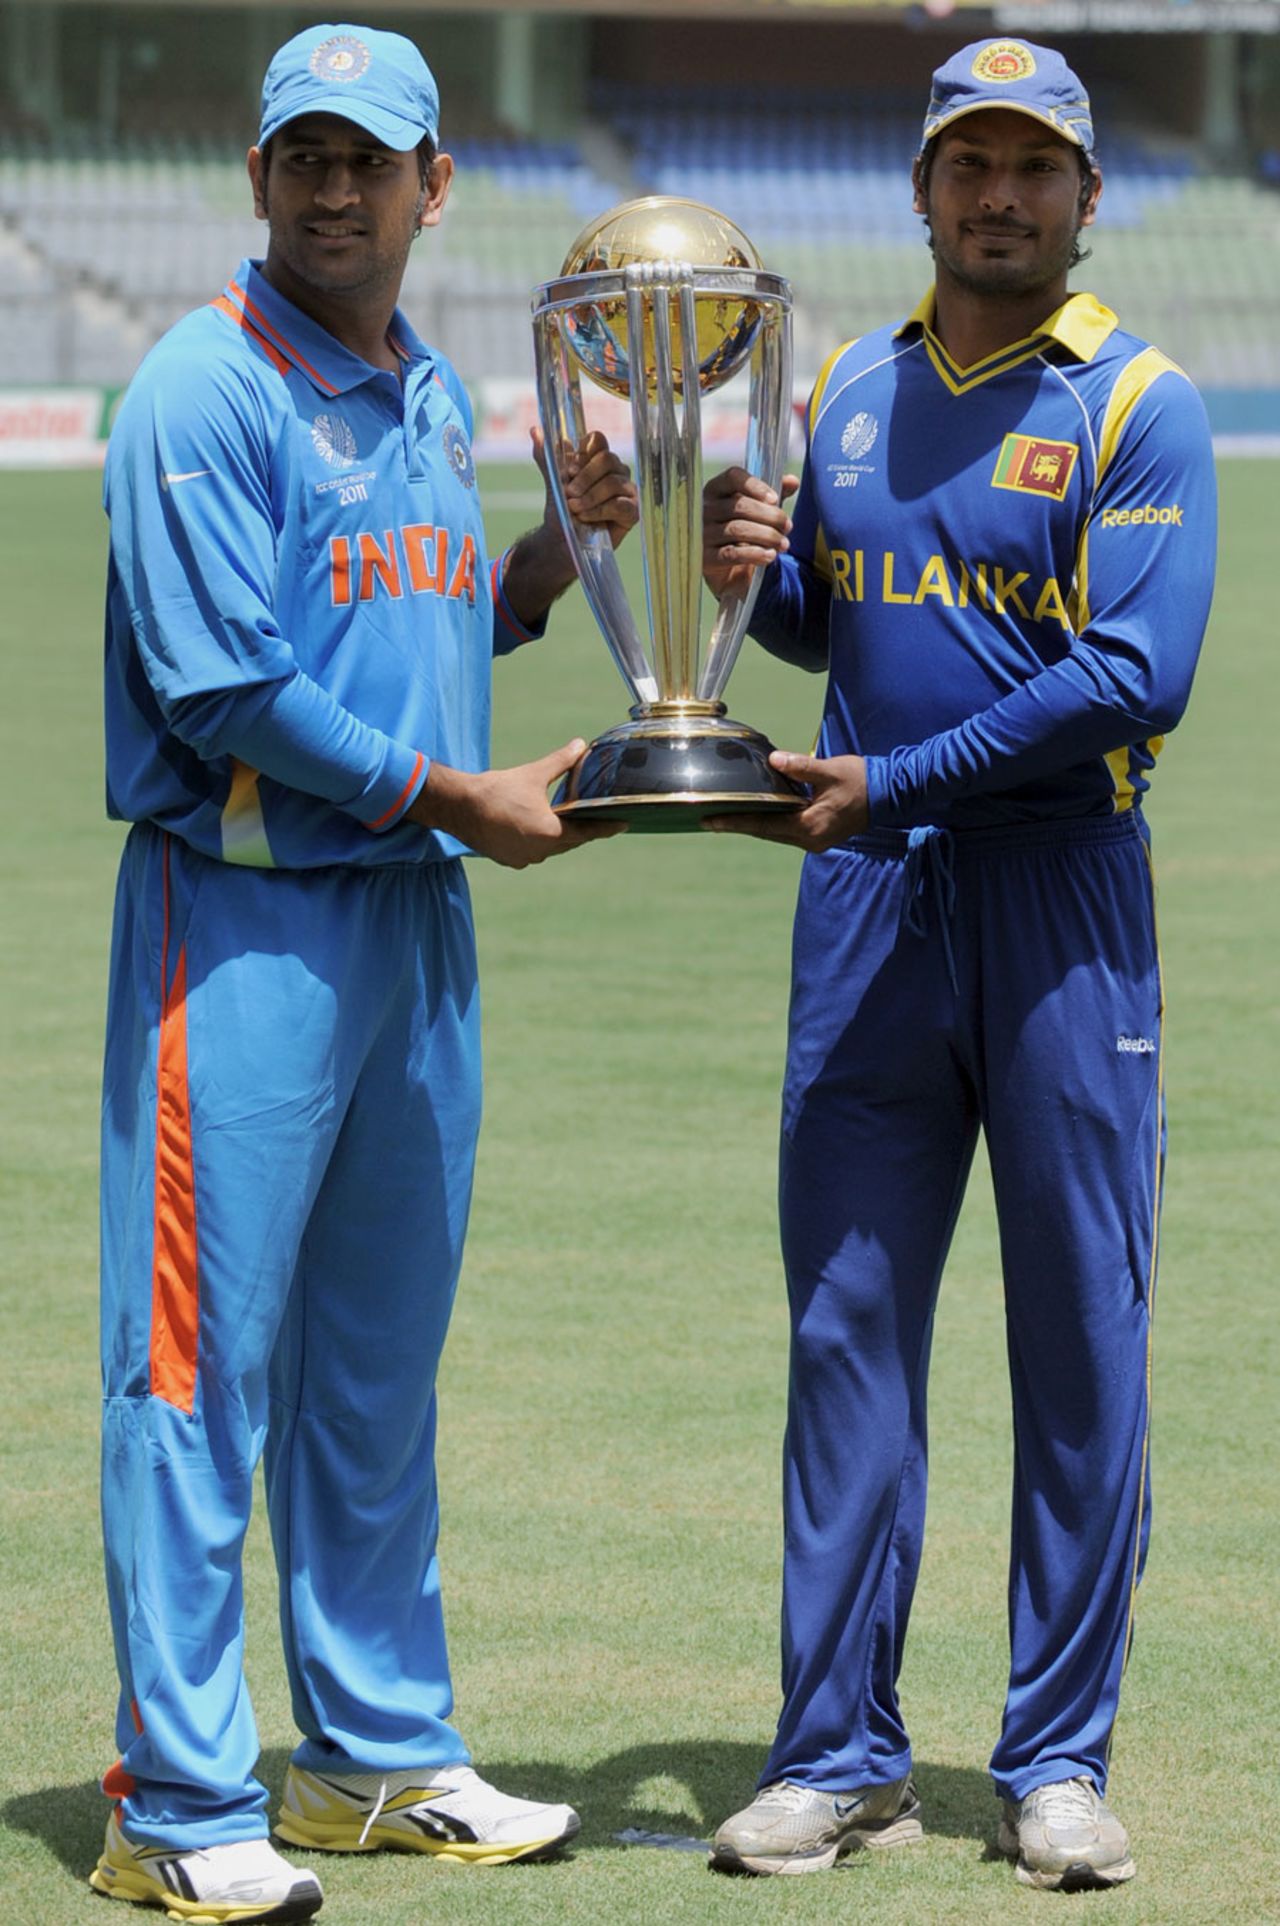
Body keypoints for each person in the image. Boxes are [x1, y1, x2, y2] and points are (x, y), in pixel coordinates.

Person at [91, 22, 635, 1923]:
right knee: (193, 1373)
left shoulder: (418, 389)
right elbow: (228, 684)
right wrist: (461, 799)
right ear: (257, 180)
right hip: (241, 922)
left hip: (413, 917)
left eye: (368, 160)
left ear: (433, 186)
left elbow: (407, 618)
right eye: (301, 159)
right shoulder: (200, 382)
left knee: (372, 1372)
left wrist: (555, 565)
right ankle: (177, 1798)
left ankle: (373, 1755)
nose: (334, 191)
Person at [701, 37, 1216, 1892]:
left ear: (1089, 197)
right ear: (920, 189)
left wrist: (889, 786)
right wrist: (732, 561)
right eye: (968, 165)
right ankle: (836, 1753)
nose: (1000, 197)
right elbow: (822, 625)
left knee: (1084, 1332)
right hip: (865, 915)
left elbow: (1129, 679)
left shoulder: (1137, 403)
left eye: (1036, 169)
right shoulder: (846, 385)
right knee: (847, 1331)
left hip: (1061, 901)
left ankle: (1057, 1757)